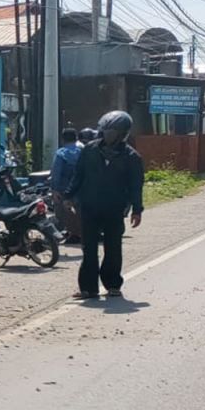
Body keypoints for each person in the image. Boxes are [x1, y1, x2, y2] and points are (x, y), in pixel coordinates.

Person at [66, 110, 144, 299]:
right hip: (89, 207)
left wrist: (137, 209)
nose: (108, 135)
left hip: (114, 209)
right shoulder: (89, 150)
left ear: (122, 133)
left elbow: (135, 186)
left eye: (113, 131)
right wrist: (69, 195)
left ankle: (112, 284)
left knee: (113, 248)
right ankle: (88, 288)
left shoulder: (132, 157)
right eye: (106, 130)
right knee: (89, 249)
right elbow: (78, 175)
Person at [50, 128, 83, 244]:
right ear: (76, 138)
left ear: (63, 139)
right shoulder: (84, 151)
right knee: (81, 211)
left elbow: (56, 172)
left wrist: (54, 190)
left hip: (64, 188)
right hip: (82, 188)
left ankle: (73, 233)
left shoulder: (61, 153)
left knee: (62, 211)